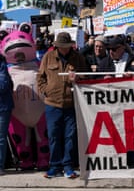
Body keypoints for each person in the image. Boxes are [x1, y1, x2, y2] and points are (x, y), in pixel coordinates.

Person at [37, 32, 89, 179]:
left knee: (70, 136)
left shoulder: (78, 58)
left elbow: (86, 76)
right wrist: (45, 90)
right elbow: (40, 77)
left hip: (71, 103)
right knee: (53, 136)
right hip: (52, 103)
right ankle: (54, 166)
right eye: (62, 47)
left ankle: (68, 166)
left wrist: (78, 76)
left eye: (66, 47)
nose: (65, 49)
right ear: (57, 46)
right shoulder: (48, 57)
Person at [0, 53, 13, 175]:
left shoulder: (2, 65)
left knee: (0, 137)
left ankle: (0, 166)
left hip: (2, 107)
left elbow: (3, 85)